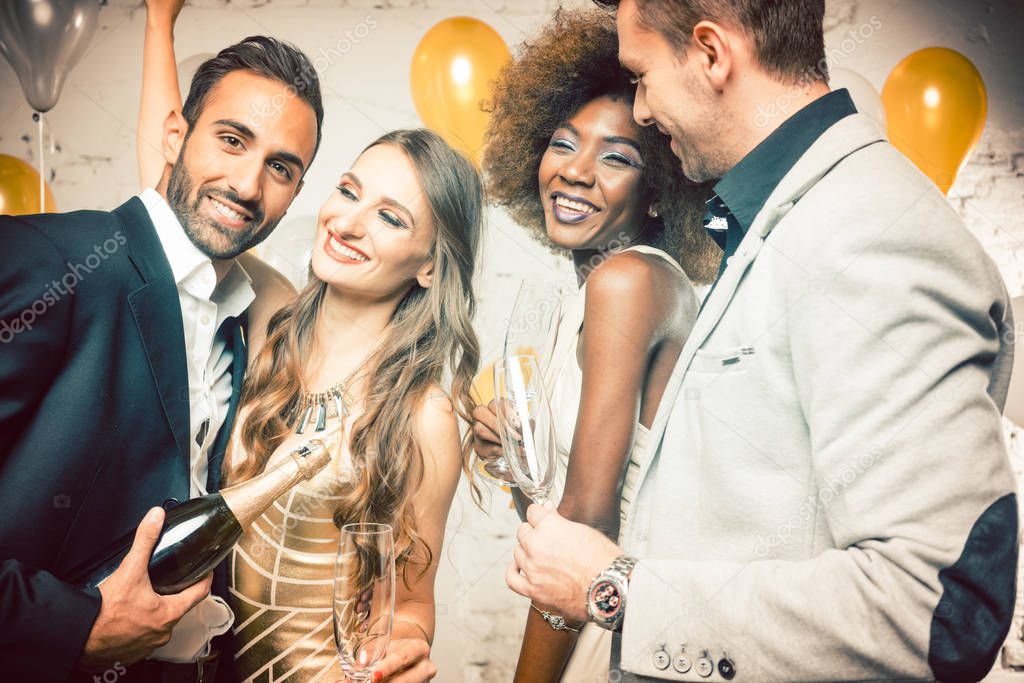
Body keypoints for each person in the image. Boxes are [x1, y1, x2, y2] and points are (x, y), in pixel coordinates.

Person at [506, 0, 1018, 681]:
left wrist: (619, 587)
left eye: (642, 75)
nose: (645, 109)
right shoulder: (776, 218)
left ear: (712, 54)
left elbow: (938, 608)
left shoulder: (867, 229)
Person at [138, 4, 483, 681]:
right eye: (349, 191)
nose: (348, 223)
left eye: (388, 217)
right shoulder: (269, 315)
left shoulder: (423, 411)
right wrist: (158, 26)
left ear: (430, 265)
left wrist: (403, 647)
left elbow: (411, 601)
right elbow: (173, 189)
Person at [0, 22, 322, 683]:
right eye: (231, 140)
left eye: (281, 168)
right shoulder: (59, 261)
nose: (247, 185)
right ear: (175, 135)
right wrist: (72, 624)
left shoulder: (242, 314)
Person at [471, 8, 717, 682]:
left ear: (662, 191)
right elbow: (559, 515)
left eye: (618, 157)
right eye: (563, 143)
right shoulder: (584, 298)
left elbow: (588, 520)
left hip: (625, 639)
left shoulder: (627, 282)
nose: (576, 172)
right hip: (609, 619)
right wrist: (516, 464)